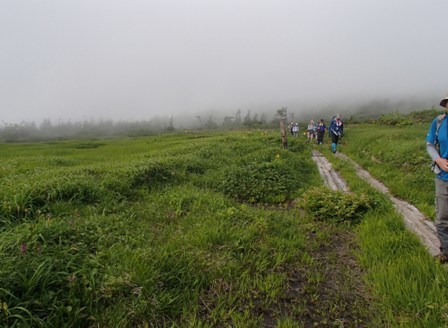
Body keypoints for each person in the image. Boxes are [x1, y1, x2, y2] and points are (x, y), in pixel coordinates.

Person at [426, 96, 448, 263]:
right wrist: (438, 160)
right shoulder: (439, 122)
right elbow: (430, 144)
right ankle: (446, 252)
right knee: (442, 216)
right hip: (443, 177)